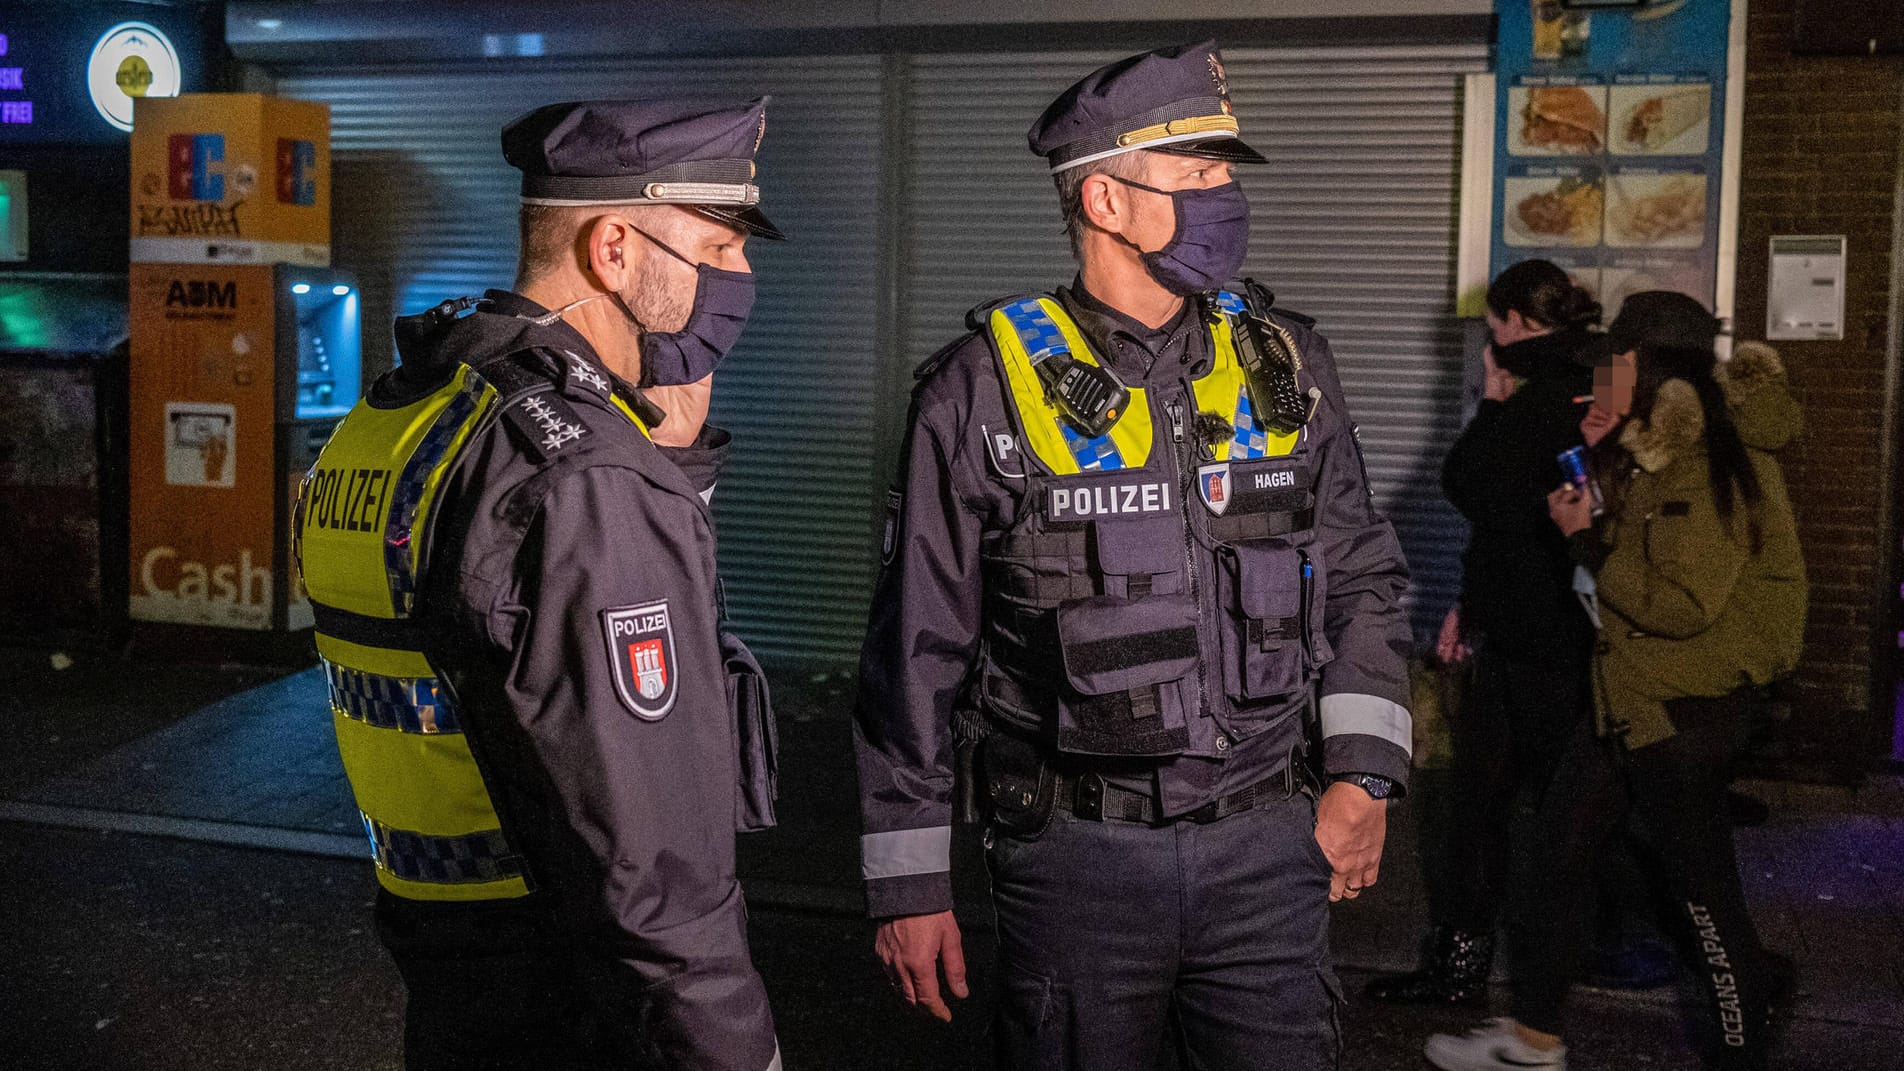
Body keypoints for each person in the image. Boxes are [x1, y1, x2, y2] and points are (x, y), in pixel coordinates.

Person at [853, 42, 1414, 1069]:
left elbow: (1361, 578)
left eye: (1223, 173)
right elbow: (914, 651)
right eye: (1195, 175)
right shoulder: (975, 393)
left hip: (1268, 852)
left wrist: (1363, 779)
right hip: (1075, 864)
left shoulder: (1284, 364)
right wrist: (908, 882)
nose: (1225, 196)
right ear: (1104, 201)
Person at [296, 98, 786, 1071]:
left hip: (447, 953)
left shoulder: (406, 412)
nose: (740, 278)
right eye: (719, 247)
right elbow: (649, 865)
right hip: (581, 998)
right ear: (613, 248)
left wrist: (669, 465)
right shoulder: (584, 474)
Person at [1425, 292, 1805, 1071]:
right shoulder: (1665, 445)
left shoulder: (1711, 462)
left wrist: (1585, 539)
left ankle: (1742, 1049)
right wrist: (1597, 468)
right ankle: (1533, 1040)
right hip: (1630, 697)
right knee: (1556, 855)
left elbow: (1681, 603)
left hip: (1683, 709)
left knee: (1705, 902)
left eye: (1619, 357)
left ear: (1649, 363)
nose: (1608, 370)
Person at [1368, 259, 1600, 1006]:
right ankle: (1477, 958)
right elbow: (1504, 519)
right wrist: (1467, 604)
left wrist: (1495, 402)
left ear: (1516, 321)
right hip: (1543, 624)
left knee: (1508, 806)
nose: (1488, 343)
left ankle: (1492, 964)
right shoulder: (1599, 378)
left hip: (1541, 634)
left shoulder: (1542, 391)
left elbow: (1468, 482)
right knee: (1501, 802)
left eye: (1495, 326)